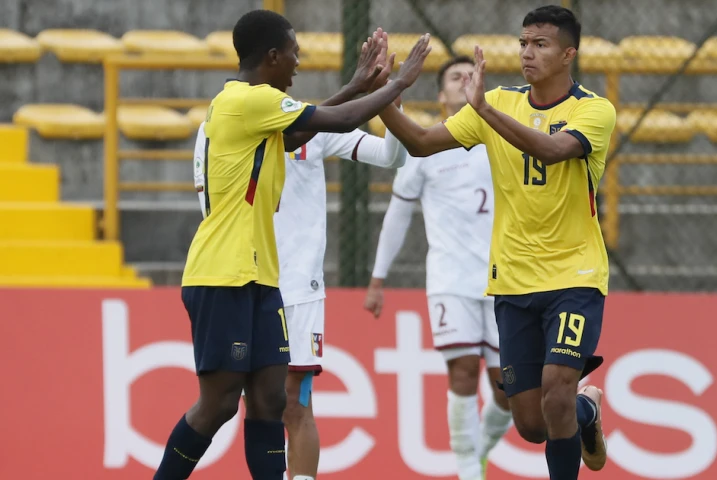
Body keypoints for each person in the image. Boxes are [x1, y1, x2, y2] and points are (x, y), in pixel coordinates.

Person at [153, 8, 431, 480]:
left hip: (265, 279)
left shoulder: (262, 112)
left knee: (270, 400)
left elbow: (310, 128)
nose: (299, 64)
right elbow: (335, 119)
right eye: (295, 54)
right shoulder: (245, 102)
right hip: (224, 273)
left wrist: (365, 86)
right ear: (272, 56)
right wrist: (397, 83)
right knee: (219, 405)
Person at [376, 6, 616, 480]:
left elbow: (552, 150)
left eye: (541, 44)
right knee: (531, 422)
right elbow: (422, 142)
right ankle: (587, 412)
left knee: (556, 390)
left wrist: (483, 110)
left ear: (569, 53)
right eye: (524, 43)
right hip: (512, 280)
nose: (528, 52)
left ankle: (573, 406)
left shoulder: (593, 109)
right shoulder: (501, 101)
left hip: (576, 275)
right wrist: (385, 92)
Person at [363, 56, 512, 480]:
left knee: (509, 387)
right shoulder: (424, 146)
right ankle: (468, 468)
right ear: (441, 95)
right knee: (463, 372)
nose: (464, 79)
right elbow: (398, 214)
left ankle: (479, 449)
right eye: (454, 76)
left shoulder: (502, 135)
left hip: (506, 280)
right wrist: (377, 278)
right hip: (451, 279)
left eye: (471, 74)